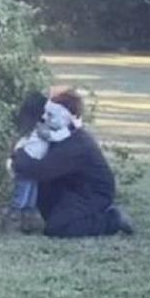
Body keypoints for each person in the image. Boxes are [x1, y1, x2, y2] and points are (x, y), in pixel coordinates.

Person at [11, 88, 135, 238]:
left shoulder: (76, 144)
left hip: (93, 192)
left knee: (58, 228)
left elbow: (40, 170)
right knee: (51, 214)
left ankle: (112, 219)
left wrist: (17, 154)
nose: (44, 118)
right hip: (71, 185)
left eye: (50, 115)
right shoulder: (62, 134)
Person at [5, 91, 72, 233]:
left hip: (30, 163)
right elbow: (59, 135)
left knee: (30, 192)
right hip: (28, 163)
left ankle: (25, 221)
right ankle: (15, 220)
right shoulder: (40, 129)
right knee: (23, 193)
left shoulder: (34, 127)